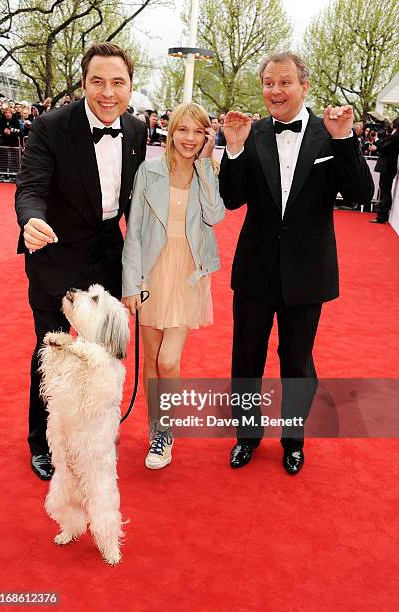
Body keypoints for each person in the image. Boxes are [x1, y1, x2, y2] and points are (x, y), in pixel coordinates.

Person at [219, 51, 373, 474]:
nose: (275, 90)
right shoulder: (251, 133)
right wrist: (232, 149)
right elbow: (232, 199)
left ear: (304, 86)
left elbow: (360, 193)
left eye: (285, 82)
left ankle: (293, 440)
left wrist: (344, 139)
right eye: (269, 82)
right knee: (246, 358)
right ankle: (246, 437)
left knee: (298, 362)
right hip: (255, 268)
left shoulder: (331, 133)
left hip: (307, 270)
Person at [15, 42, 147, 480]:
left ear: (130, 85)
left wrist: (140, 266)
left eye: (118, 82)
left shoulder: (137, 131)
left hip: (108, 261)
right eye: (97, 81)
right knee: (51, 354)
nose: (108, 92)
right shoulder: (52, 127)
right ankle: (44, 442)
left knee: (103, 357)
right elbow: (31, 186)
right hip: (56, 256)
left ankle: (96, 432)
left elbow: (137, 205)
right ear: (84, 83)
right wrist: (32, 220)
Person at [122, 102, 225, 470]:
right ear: (170, 130)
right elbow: (134, 231)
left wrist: (206, 164)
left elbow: (215, 216)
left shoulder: (208, 170)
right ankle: (159, 431)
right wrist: (130, 284)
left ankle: (166, 427)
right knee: (151, 360)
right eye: (184, 130)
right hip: (151, 272)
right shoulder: (149, 172)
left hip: (187, 274)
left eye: (199, 132)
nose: (190, 138)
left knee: (169, 359)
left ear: (206, 136)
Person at [370, 117, 399, 224]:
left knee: (385, 191)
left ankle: (382, 216)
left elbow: (384, 148)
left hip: (388, 166)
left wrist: (377, 140)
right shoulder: (394, 135)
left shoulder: (396, 135)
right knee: (384, 190)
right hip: (388, 166)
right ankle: (382, 214)